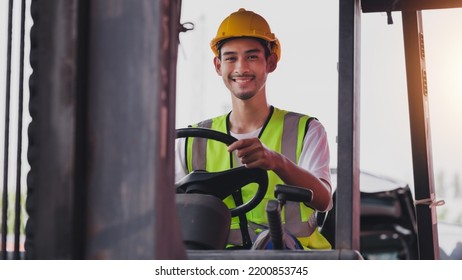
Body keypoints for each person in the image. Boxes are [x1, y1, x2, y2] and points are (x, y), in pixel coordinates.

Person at [175, 8, 332, 249]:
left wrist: (277, 162)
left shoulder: (306, 130)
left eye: (251, 57)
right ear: (218, 65)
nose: (241, 68)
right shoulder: (190, 141)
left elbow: (323, 200)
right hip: (213, 264)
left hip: (291, 261)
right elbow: (166, 209)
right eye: (230, 58)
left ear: (270, 62)